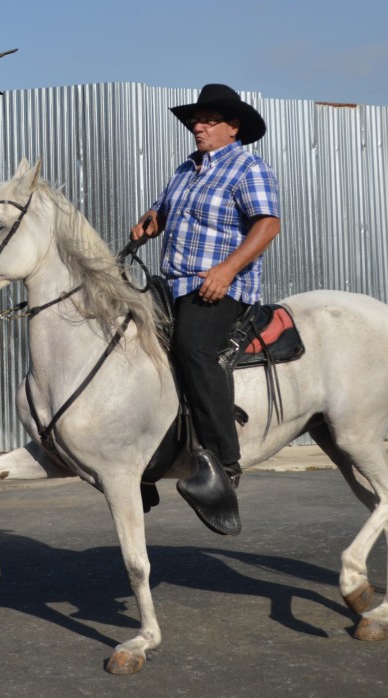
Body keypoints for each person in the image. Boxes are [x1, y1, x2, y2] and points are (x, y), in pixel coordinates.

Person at [131, 83, 281, 536]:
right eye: (196, 121)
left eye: (209, 121)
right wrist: (151, 221)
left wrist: (227, 271)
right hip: (172, 285)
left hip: (219, 287)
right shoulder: (185, 169)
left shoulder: (248, 167)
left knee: (194, 348)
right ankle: (148, 461)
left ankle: (224, 463)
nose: (198, 126)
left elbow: (269, 223)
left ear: (233, 128)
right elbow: (163, 211)